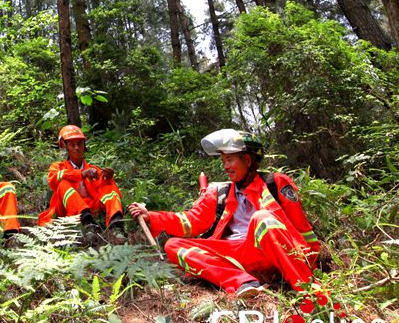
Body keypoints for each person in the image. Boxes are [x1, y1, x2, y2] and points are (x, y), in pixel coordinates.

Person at [129, 129, 320, 298]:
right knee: (173, 245)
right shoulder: (220, 193)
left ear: (247, 160)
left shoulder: (275, 183)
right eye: (223, 161)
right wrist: (151, 216)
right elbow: (191, 220)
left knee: (262, 218)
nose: (225, 167)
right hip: (234, 256)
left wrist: (309, 262)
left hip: (268, 253)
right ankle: (244, 283)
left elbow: (302, 228)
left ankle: (307, 290)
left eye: (229, 160)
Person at [37, 125, 126, 245]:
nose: (77, 148)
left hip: (91, 207)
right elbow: (53, 179)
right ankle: (88, 225)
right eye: (72, 145)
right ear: (65, 147)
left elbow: (103, 188)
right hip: (65, 209)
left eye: (80, 144)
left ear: (84, 145)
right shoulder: (58, 167)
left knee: (110, 186)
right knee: (63, 184)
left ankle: (116, 225)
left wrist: (107, 178)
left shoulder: (93, 170)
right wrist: (81, 174)